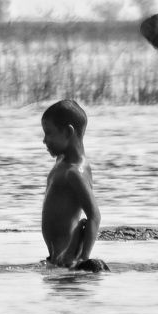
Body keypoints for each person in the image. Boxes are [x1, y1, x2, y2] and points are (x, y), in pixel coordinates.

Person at [41, 99, 108, 273]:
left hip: (68, 260)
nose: (44, 140)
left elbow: (94, 215)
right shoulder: (61, 161)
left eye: (49, 133)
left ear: (68, 132)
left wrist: (83, 259)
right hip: (56, 259)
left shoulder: (74, 172)